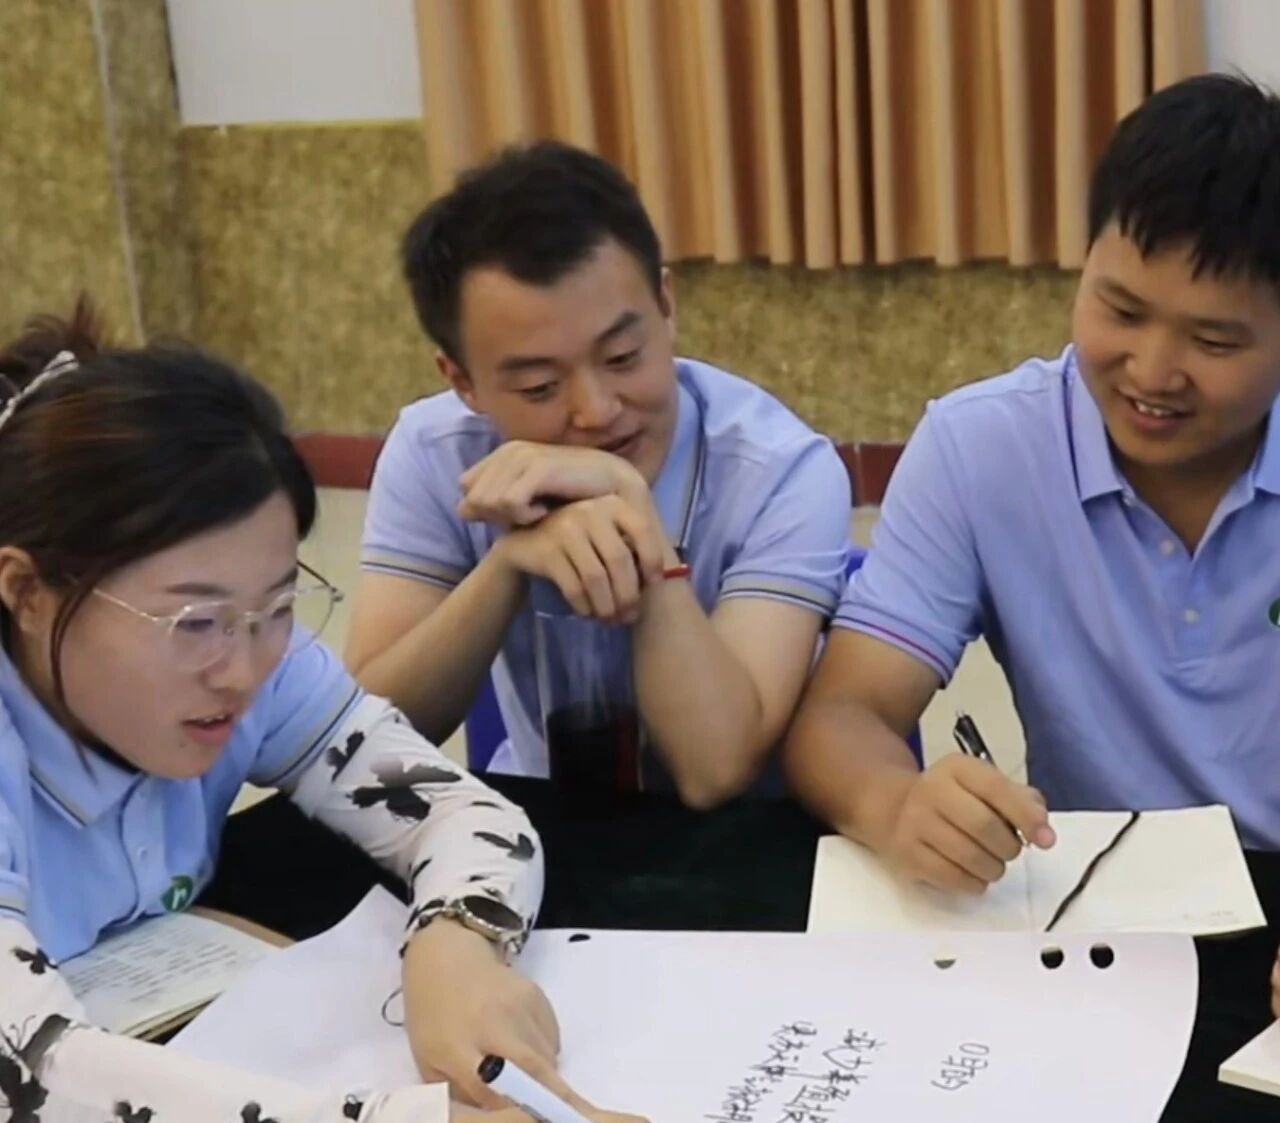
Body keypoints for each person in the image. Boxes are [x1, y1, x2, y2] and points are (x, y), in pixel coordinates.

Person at [0, 302, 640, 1123]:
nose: (243, 669)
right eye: (192, 621)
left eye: (278, 604)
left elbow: (457, 809)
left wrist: (457, 940)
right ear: (26, 592)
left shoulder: (256, 652)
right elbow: (38, 1070)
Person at [784, 74, 1280, 937]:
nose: (1152, 372)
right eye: (1120, 309)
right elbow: (842, 714)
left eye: (1212, 340)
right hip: (1092, 911)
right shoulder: (983, 449)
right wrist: (897, 803)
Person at [346, 142, 850, 807]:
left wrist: (633, 515)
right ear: (461, 380)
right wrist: (506, 565)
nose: (598, 411)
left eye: (622, 357)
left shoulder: (782, 472)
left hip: (744, 834)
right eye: (540, 386)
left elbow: (715, 771)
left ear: (666, 306)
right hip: (545, 818)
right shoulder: (435, 452)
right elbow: (362, 741)